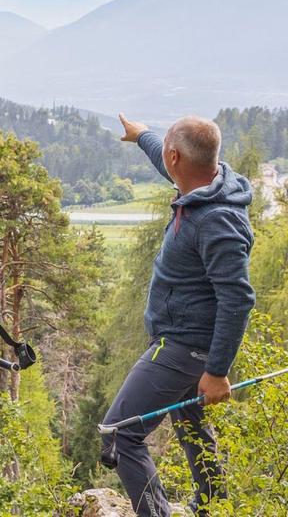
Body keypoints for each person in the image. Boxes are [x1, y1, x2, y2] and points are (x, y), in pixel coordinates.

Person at [104, 114, 256, 516]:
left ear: (177, 158)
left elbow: (238, 299)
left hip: (183, 347)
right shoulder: (207, 180)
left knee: (119, 434)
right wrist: (141, 136)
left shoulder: (216, 220)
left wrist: (218, 370)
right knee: (190, 423)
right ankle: (213, 506)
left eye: (166, 151)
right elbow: (164, 156)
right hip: (189, 345)